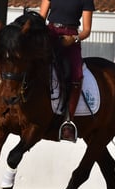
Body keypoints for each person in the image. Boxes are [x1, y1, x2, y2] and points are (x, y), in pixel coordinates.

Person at [40, 0, 95, 142]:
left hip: (71, 37)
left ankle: (68, 121)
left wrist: (74, 39)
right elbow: (41, 18)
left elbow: (86, 30)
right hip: (50, 33)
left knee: (77, 74)